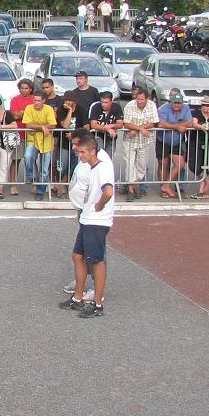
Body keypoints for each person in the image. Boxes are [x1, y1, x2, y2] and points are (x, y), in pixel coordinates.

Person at [59, 134, 115, 318]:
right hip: (87, 218)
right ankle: (77, 298)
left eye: (83, 152)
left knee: (96, 260)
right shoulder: (91, 168)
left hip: (97, 221)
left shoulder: (102, 168)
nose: (80, 155)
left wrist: (99, 204)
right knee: (78, 256)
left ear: (92, 151)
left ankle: (97, 303)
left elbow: (108, 190)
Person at [119, 88, 157, 200]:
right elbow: (126, 123)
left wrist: (140, 129)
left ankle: (135, 184)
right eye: (137, 99)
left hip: (144, 141)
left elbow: (153, 122)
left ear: (146, 99)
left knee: (141, 166)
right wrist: (140, 128)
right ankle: (131, 190)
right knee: (129, 165)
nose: (139, 101)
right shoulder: (130, 105)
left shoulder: (152, 105)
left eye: (141, 99)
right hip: (130, 141)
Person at [20, 89, 57, 199]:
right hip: (33, 140)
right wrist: (42, 127)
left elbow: (53, 125)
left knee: (44, 170)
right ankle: (31, 177)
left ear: (44, 101)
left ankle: (40, 192)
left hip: (46, 142)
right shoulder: (29, 108)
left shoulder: (49, 109)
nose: (36, 103)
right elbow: (27, 125)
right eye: (35, 100)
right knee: (28, 157)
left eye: (39, 101)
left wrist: (43, 127)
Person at [156, 90, 191, 198]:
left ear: (182, 103)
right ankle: (163, 189)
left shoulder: (186, 108)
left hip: (177, 141)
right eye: (174, 102)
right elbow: (160, 123)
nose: (176, 105)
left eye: (178, 103)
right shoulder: (163, 108)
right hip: (163, 140)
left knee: (180, 164)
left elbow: (189, 122)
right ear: (170, 102)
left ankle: (166, 185)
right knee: (163, 165)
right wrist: (177, 126)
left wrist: (172, 125)